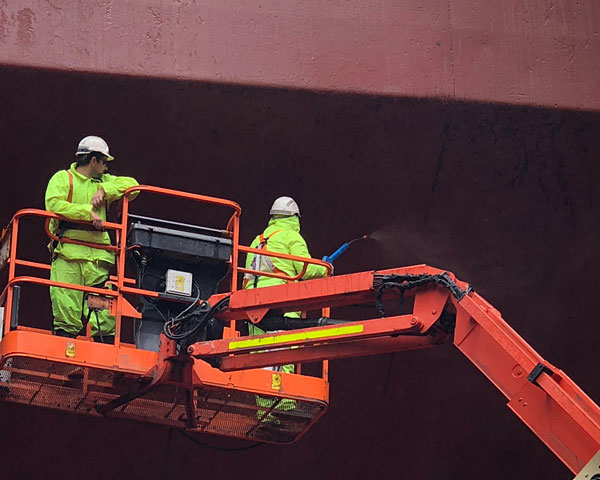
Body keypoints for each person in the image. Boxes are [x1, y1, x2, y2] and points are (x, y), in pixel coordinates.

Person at [244, 196, 328, 437]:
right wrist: (324, 268)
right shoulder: (292, 237)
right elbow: (307, 269)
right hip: (280, 306)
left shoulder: (257, 241)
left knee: (260, 362)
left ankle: (265, 416)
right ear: (294, 219)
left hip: (252, 309)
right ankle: (285, 408)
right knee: (282, 356)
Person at [45, 135, 139, 343]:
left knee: (103, 312)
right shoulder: (63, 179)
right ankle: (66, 361)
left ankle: (102, 360)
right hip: (68, 253)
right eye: (104, 162)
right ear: (94, 160)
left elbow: (134, 187)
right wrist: (86, 212)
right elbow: (54, 205)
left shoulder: (104, 182)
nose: (106, 167)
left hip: (97, 258)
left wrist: (105, 190)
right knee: (66, 307)